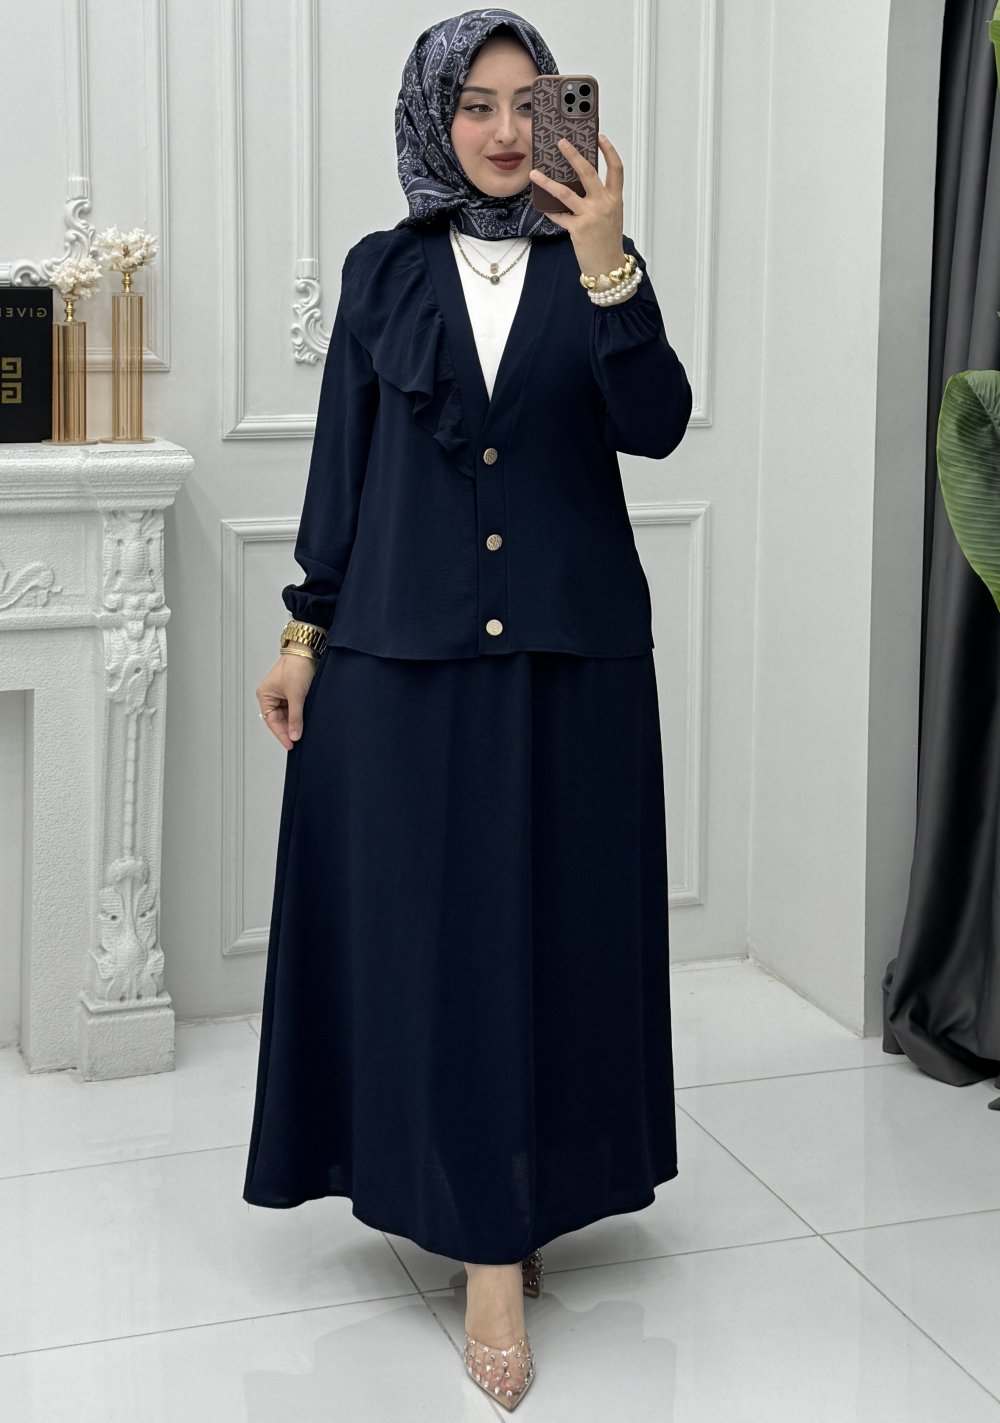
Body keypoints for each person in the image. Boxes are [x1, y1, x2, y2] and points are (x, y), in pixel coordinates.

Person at [243, 8, 692, 1410]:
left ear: (561, 116)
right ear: (433, 119)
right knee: (428, 947)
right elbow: (343, 464)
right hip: (402, 658)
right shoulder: (382, 272)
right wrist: (304, 633)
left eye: (526, 102)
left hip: (572, 658)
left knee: (552, 936)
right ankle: (478, 1224)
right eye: (475, 105)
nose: (503, 131)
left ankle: (510, 1217)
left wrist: (609, 261)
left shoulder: (596, 263)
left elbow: (657, 424)